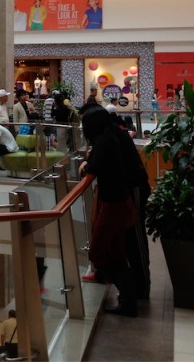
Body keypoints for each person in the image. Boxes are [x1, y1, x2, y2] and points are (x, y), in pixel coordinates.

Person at [77, 106, 138, 317]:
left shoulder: (103, 142)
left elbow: (93, 168)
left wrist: (85, 166)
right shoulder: (110, 138)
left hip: (113, 203)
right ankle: (129, 300)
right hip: (119, 200)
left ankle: (127, 295)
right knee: (117, 251)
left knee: (96, 252)